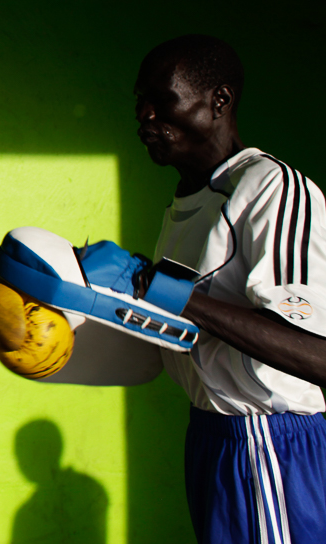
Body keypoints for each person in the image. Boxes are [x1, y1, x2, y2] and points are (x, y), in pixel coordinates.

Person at [133, 35, 326, 543]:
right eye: (140, 103)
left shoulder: (272, 188)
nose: (146, 116)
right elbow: (187, 333)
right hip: (211, 437)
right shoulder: (188, 202)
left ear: (218, 101)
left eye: (162, 99)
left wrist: (172, 294)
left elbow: (316, 352)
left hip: (267, 439)